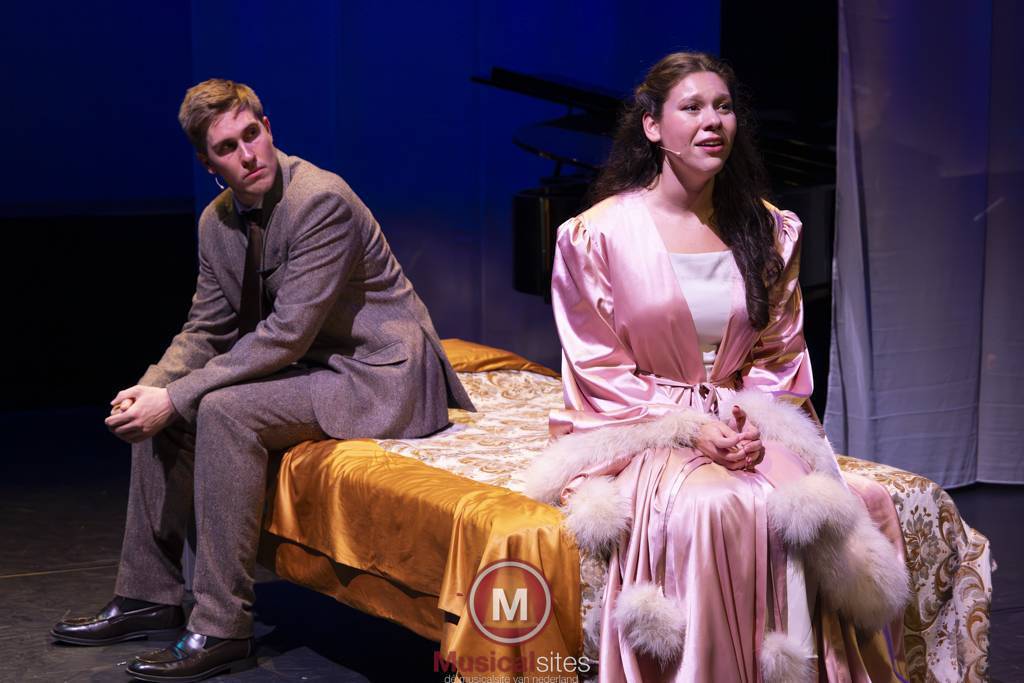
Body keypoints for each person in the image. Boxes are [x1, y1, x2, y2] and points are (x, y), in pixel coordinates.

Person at [51, 79, 474, 681]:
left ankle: (222, 627)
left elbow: (286, 335)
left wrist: (177, 396)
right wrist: (153, 388)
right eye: (228, 147)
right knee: (169, 408)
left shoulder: (320, 200)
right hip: (318, 365)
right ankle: (148, 595)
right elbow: (206, 328)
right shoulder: (216, 222)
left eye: (253, 134)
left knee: (221, 409)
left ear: (268, 128)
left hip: (379, 373)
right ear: (209, 164)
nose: (248, 154)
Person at [524, 53, 910, 682]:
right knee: (714, 507)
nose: (713, 121)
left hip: (744, 417)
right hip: (642, 423)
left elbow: (778, 353)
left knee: (841, 502)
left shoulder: (769, 228)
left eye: (724, 107)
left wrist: (752, 421)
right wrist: (689, 426)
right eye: (692, 107)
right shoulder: (595, 236)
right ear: (653, 126)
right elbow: (599, 367)